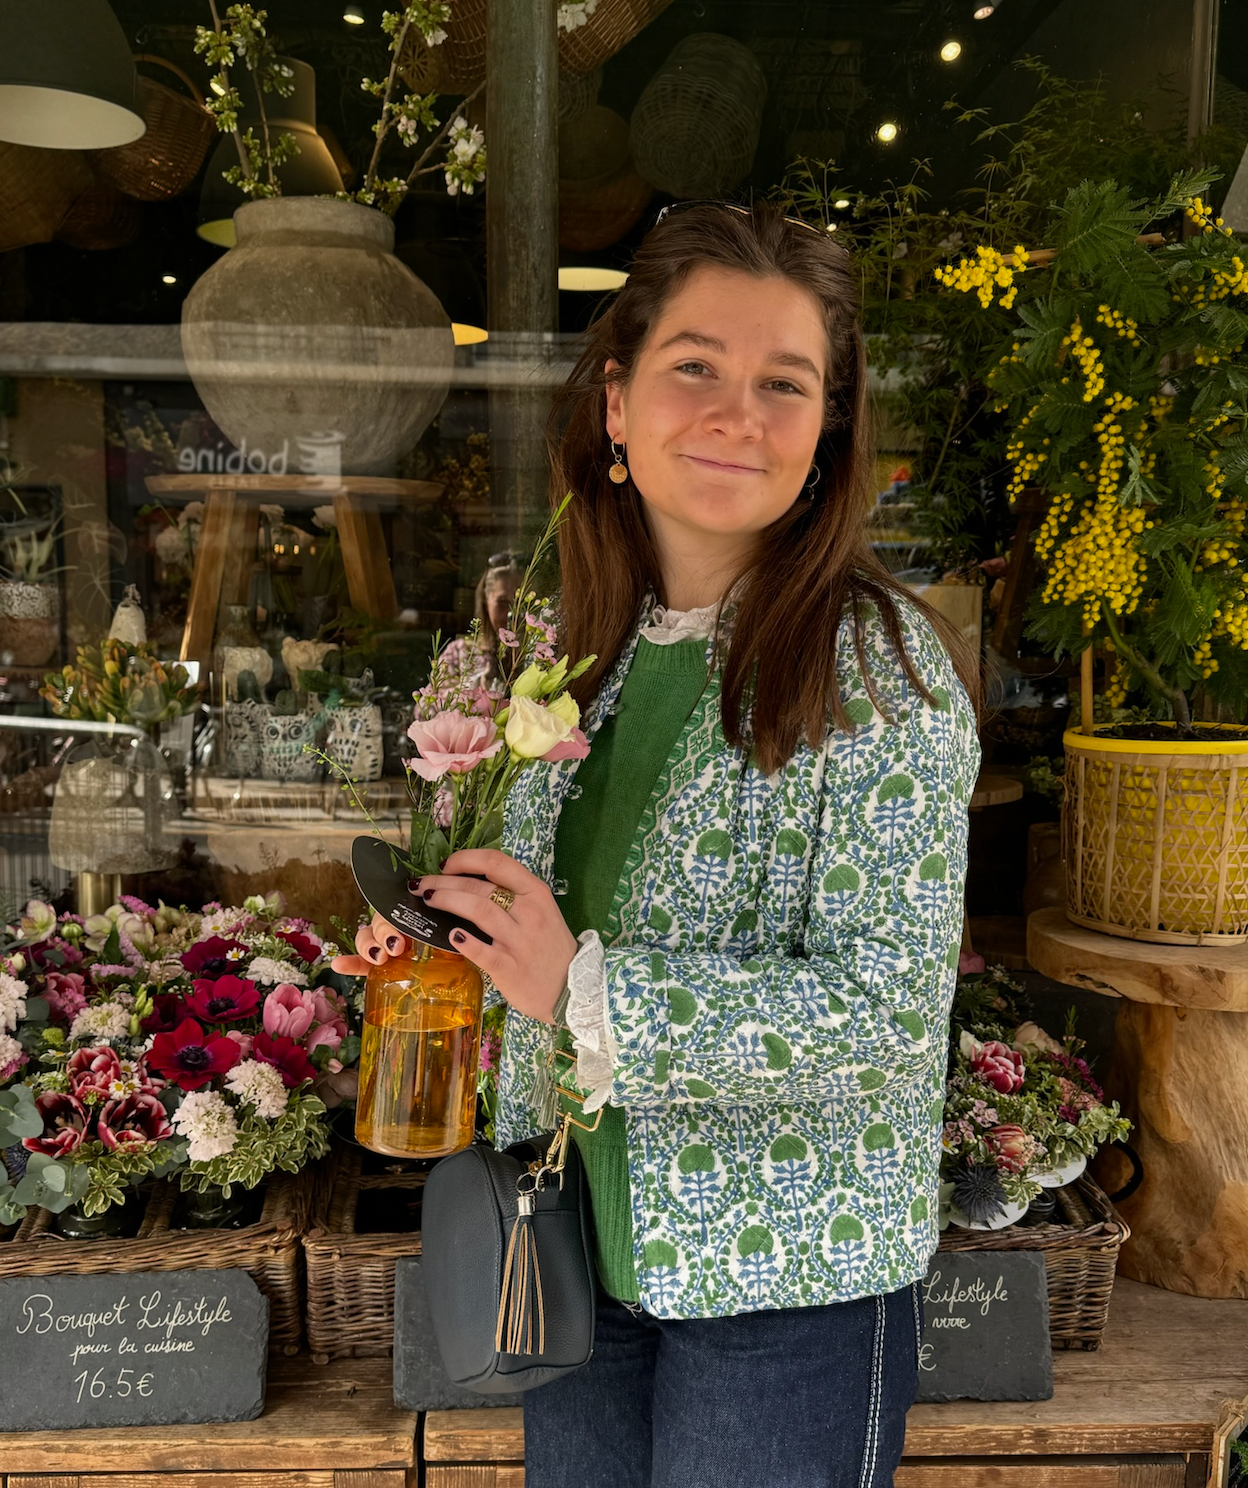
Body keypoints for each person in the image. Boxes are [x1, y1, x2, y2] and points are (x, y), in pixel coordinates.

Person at [413, 202, 982, 1488]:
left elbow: (890, 1010)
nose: (738, 414)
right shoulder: (570, 644)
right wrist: (437, 930)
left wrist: (584, 991)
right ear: (617, 402)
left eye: (785, 383)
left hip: (789, 1280)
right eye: (696, 367)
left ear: (827, 429)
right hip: (571, 1245)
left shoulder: (879, 671)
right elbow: (542, 918)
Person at [436, 550, 525, 690]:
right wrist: (475, 687)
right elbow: (429, 702)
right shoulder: (459, 653)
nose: (512, 613)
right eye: (502, 603)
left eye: (521, 604)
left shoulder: (538, 656)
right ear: (485, 602)